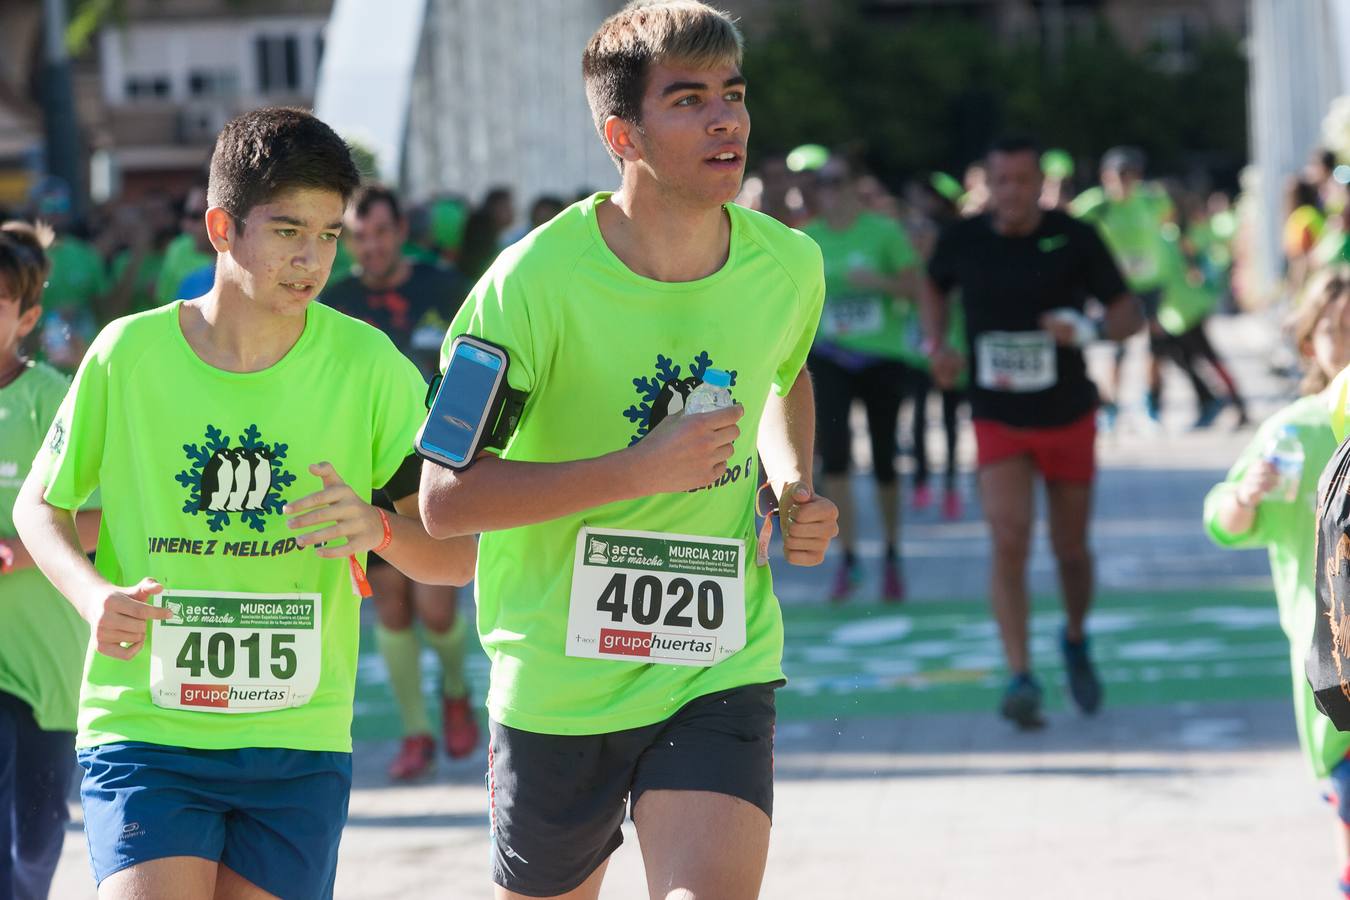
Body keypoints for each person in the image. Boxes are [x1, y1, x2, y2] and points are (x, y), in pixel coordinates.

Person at [417, 3, 838, 897]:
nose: (725, 118)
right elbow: (444, 500)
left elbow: (784, 372)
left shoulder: (789, 264)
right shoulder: (524, 287)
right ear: (623, 134)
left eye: (733, 93)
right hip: (558, 686)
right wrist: (636, 472)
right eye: (688, 100)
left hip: (718, 662)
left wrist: (793, 479)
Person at [13, 107, 477, 900]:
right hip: (147, 728)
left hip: (297, 741)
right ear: (222, 226)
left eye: (330, 234)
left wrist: (380, 529)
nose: (312, 258)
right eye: (289, 230)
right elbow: (40, 509)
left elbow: (458, 551)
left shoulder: (370, 367)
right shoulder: (128, 353)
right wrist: (93, 599)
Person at [922, 135, 1143, 730]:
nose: (1011, 193)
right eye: (1001, 181)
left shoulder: (1074, 237)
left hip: (1068, 412)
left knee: (1070, 550)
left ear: (1041, 184)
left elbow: (1128, 315)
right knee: (1009, 537)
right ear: (985, 183)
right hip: (997, 414)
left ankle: (1074, 637)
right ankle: (1020, 675)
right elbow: (933, 287)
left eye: (1023, 182)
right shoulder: (963, 238)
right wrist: (935, 343)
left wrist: (1087, 326)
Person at [322, 184, 478, 779]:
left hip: (438, 469)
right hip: (366, 472)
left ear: (400, 233)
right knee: (389, 604)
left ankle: (458, 690)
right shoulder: (333, 303)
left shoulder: (443, 289)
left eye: (381, 233)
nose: (371, 246)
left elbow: (478, 365)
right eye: (358, 237)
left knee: (437, 609)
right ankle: (417, 732)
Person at [1204, 268, 1350, 899]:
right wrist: (1245, 494)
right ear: (1308, 343)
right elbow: (1224, 521)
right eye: (1338, 330)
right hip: (1337, 675)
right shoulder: (1296, 433)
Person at [0, 221, 102, 900]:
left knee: (32, 844)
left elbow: (101, 516)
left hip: (46, 667)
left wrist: (23, 548)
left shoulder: (50, 403)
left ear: (27, 317)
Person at [801, 154, 923, 602]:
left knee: (886, 458)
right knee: (835, 460)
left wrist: (878, 282)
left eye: (836, 181)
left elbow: (916, 287)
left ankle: (891, 553)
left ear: (855, 184)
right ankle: (848, 560)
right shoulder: (809, 237)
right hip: (832, 358)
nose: (828, 190)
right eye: (822, 183)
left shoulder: (884, 232)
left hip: (882, 358)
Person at [1072, 147, 1219, 429]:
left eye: (1131, 175)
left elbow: (1175, 223)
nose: (1125, 182)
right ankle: (1111, 408)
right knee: (1117, 348)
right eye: (1119, 175)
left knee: (1156, 347)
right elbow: (1068, 225)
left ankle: (1151, 402)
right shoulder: (1096, 204)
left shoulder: (1150, 200)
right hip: (1114, 285)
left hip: (1152, 283)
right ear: (1106, 177)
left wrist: (1187, 259)